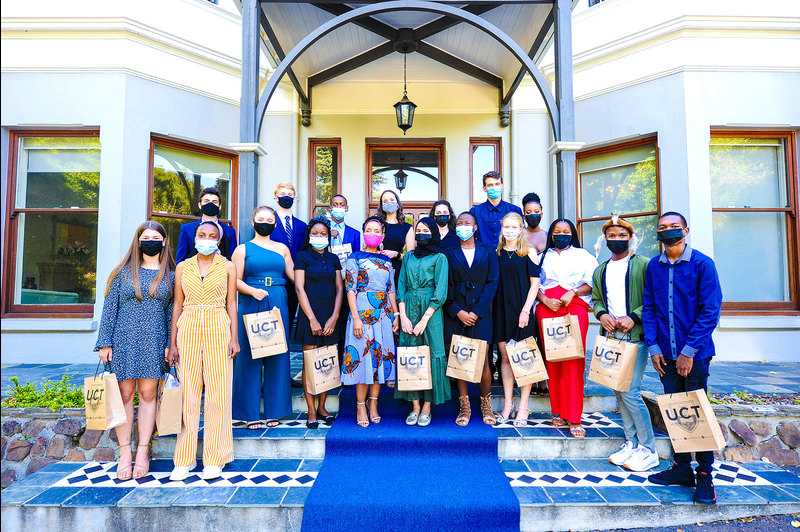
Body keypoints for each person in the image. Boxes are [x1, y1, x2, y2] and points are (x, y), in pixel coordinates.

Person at [644, 212, 723, 505]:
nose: (667, 232)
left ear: (686, 230)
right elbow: (649, 307)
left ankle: (704, 476)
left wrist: (688, 352)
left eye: (673, 227)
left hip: (696, 355)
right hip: (665, 355)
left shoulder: (703, 264)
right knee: (674, 413)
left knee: (697, 414)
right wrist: (653, 348)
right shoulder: (655, 265)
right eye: (662, 228)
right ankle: (680, 469)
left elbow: (710, 311)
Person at [96, 221, 175, 480]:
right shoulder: (122, 273)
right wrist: (105, 342)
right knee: (125, 395)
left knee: (148, 394)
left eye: (155, 237)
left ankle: (143, 450)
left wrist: (170, 345)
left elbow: (172, 313)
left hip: (155, 341)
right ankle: (125, 452)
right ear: (138, 241)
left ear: (163, 242)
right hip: (124, 340)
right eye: (146, 237)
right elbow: (109, 309)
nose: (150, 241)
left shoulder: (172, 276)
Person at [167, 220, 239, 481]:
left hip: (218, 325)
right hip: (188, 326)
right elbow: (177, 304)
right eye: (201, 235)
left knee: (218, 394)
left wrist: (234, 338)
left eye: (211, 236)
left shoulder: (228, 266)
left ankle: (214, 457)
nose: (206, 239)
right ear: (194, 237)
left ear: (218, 241)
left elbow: (232, 302)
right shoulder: (183, 267)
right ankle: (184, 459)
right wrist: (172, 342)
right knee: (188, 394)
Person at [591, 216, 658, 471]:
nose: (616, 240)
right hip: (611, 338)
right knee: (618, 390)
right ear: (605, 239)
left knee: (631, 391)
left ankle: (648, 448)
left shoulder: (643, 265)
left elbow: (652, 299)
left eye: (621, 236)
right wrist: (602, 314)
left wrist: (634, 316)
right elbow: (597, 299)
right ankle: (631, 443)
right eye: (611, 236)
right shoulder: (601, 269)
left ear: (631, 238)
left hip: (635, 337)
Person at [231, 207, 294, 429]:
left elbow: (295, 275)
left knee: (277, 354)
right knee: (249, 356)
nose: (265, 222)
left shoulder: (283, 248)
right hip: (251, 301)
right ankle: (249, 413)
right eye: (261, 219)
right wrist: (251, 291)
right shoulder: (242, 249)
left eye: (269, 220)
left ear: (275, 224)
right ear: (252, 222)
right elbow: (234, 280)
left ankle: (275, 411)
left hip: (277, 299)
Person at [535, 219, 598, 438]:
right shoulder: (541, 256)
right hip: (547, 308)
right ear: (551, 234)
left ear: (572, 234)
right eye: (557, 232)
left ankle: (574, 416)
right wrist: (543, 300)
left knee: (573, 360)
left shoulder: (584, 256)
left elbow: (593, 282)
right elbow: (533, 284)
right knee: (553, 360)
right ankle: (558, 411)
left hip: (573, 307)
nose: (561, 235)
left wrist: (573, 292)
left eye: (566, 231)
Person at [342, 217, 400, 427]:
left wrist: (396, 315)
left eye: (377, 230)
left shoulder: (386, 261)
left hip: (383, 315)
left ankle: (373, 403)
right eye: (369, 229)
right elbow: (350, 289)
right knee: (363, 360)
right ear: (364, 233)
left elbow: (391, 290)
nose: (372, 233)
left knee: (380, 360)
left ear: (383, 235)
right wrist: (356, 318)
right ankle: (360, 405)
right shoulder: (354, 258)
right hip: (362, 314)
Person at [444, 212, 499, 426]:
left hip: (481, 312)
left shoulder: (488, 251)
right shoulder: (448, 252)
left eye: (467, 223)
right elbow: (445, 284)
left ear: (475, 227)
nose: (463, 226)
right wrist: (457, 310)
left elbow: (492, 282)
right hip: (457, 311)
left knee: (484, 359)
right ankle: (464, 405)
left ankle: (486, 404)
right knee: (460, 358)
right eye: (460, 223)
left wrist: (477, 311)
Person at [396, 217, 451, 426]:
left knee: (431, 355)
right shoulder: (408, 257)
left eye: (426, 230)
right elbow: (401, 286)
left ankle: (427, 406)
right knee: (411, 356)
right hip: (408, 307)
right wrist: (403, 317)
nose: (422, 233)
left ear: (434, 233)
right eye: (418, 230)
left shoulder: (440, 258)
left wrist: (424, 320)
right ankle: (415, 406)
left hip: (431, 311)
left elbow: (441, 291)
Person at [470, 171, 521, 381]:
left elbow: (520, 239)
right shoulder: (475, 212)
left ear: (502, 185)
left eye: (497, 183)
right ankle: (487, 366)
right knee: (487, 316)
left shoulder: (514, 211)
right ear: (484, 188)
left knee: (508, 315)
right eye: (489, 184)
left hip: (509, 269)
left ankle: (507, 366)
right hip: (484, 272)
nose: (493, 187)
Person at [492, 213, 541, 426]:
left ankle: (523, 406)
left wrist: (526, 310)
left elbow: (535, 284)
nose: (510, 229)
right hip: (501, 310)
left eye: (514, 226)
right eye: (506, 226)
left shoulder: (529, 251)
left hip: (522, 310)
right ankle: (508, 404)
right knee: (504, 358)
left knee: (524, 359)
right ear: (502, 228)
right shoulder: (497, 253)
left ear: (521, 229)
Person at [294, 217, 343, 428]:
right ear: (309, 235)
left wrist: (334, 316)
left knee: (328, 363)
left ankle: (323, 407)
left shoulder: (334, 259)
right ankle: (311, 410)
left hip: (330, 315)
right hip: (309, 315)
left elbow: (340, 288)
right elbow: (299, 288)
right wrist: (312, 319)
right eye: (315, 233)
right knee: (310, 363)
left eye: (323, 233)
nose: (319, 237)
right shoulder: (302, 257)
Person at [271, 182, 307, 347]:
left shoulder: (302, 226)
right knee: (273, 323)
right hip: (274, 279)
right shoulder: (268, 222)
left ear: (294, 198)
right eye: (283, 194)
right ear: (276, 197)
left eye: (290, 194)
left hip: (294, 281)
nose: (286, 197)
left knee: (289, 318)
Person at [329, 194, 362, 362]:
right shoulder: (322, 230)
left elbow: (356, 257)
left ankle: (343, 361)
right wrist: (328, 235)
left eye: (342, 204)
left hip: (345, 281)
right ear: (330, 208)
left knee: (343, 321)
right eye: (335, 204)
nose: (338, 207)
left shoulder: (354, 233)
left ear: (346, 209)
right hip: (326, 280)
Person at [521, 192, 548, 396]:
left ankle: (545, 380)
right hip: (527, 291)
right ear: (523, 213)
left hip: (548, 292)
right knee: (529, 339)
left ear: (541, 212)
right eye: (528, 212)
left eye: (536, 212)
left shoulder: (549, 235)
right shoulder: (519, 236)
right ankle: (530, 378)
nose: (532, 215)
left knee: (545, 339)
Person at [175, 187, 237, 263]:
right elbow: (180, 260)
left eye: (214, 202)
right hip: (193, 273)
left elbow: (233, 261)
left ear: (220, 206)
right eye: (206, 201)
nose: (210, 204)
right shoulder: (187, 229)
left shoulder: (229, 231)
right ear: (199, 205)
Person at [375, 189, 414, 286]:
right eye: (385, 201)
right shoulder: (376, 224)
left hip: (397, 270)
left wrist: (396, 254)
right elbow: (367, 249)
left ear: (398, 203)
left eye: (392, 199)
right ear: (381, 205)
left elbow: (411, 258)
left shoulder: (407, 228)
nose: (389, 203)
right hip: (377, 268)